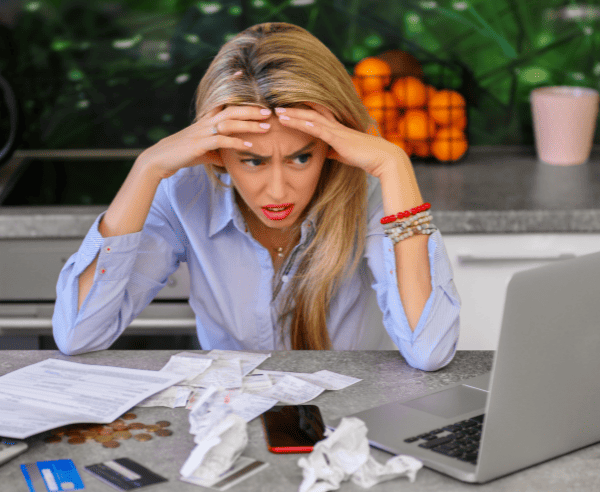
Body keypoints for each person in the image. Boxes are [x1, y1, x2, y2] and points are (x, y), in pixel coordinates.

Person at [52, 22, 461, 371]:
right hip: (228, 427)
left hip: (348, 428)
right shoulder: (185, 192)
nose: (279, 190)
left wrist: (394, 164)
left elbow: (429, 351)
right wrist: (146, 169)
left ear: (331, 146)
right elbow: (77, 335)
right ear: (217, 152)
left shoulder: (371, 196)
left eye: (302, 157)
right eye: (251, 161)